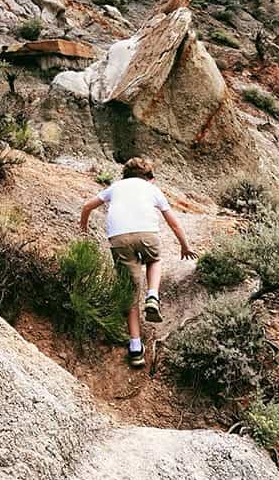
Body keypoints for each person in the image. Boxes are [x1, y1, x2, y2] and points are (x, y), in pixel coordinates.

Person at [79, 157, 196, 368]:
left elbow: (87, 206)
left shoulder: (115, 187)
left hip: (119, 239)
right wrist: (185, 245)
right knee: (154, 260)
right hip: (147, 234)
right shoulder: (153, 190)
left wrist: (83, 230)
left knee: (130, 293)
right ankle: (152, 295)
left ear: (125, 175)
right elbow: (173, 222)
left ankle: (135, 348)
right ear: (150, 178)